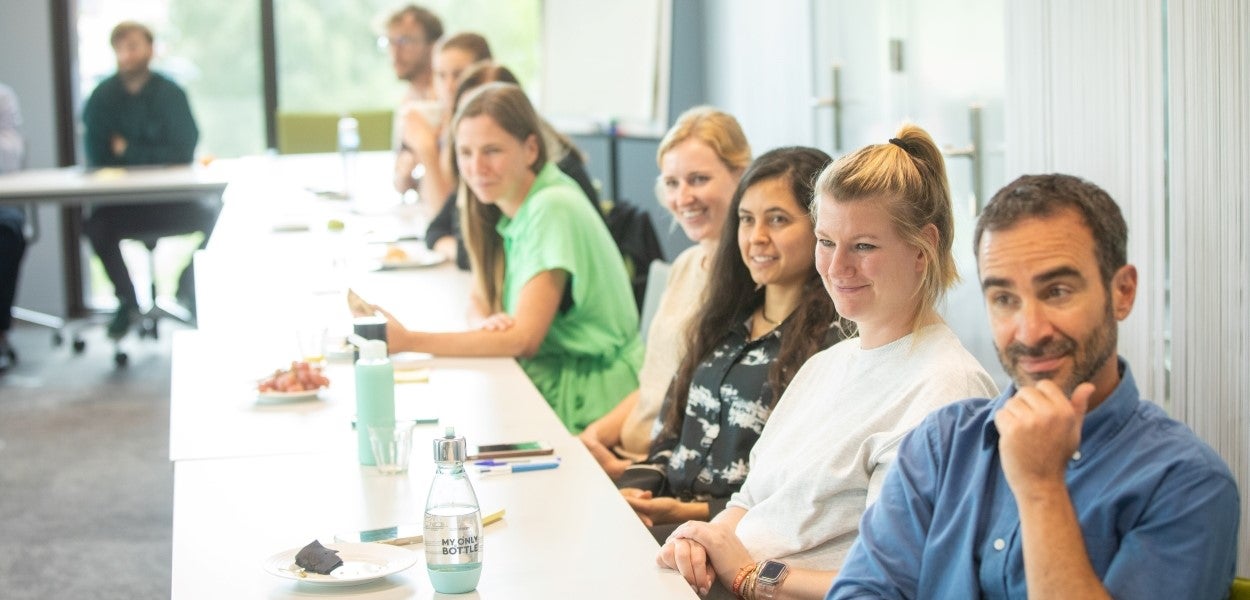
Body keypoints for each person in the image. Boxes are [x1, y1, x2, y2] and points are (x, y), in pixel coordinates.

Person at [829, 174, 1240, 599]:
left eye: (1057, 292)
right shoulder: (941, 445)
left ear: (1122, 292)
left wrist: (1042, 487)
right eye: (1004, 299)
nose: (1030, 331)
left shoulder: (1186, 483)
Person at [657, 126, 999, 600]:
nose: (837, 268)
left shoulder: (947, 392)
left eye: (863, 246)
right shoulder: (826, 365)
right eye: (826, 240)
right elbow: (751, 501)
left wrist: (753, 578)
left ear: (922, 251)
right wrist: (703, 541)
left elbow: (903, 584)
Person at [366, 83, 642, 433]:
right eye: (465, 153)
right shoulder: (512, 206)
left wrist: (410, 340)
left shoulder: (551, 207)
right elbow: (478, 298)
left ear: (530, 149)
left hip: (595, 403)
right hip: (554, 383)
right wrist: (486, 320)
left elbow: (523, 340)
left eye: (492, 151)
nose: (476, 167)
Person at [619, 147, 843, 528]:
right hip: (666, 518)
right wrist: (633, 492)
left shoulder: (834, 345)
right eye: (746, 219)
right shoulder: (724, 319)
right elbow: (667, 436)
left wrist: (688, 514)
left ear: (821, 228)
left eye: (777, 220)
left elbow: (801, 493)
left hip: (735, 537)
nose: (756, 237)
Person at [579, 106, 751, 479]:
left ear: (741, 175)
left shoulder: (747, 280)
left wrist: (629, 471)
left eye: (699, 179)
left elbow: (713, 423)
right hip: (629, 454)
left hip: (659, 472)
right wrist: (592, 437)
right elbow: (653, 386)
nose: (683, 197)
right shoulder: (686, 265)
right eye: (672, 183)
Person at [81, 21, 219, 338]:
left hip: (171, 202)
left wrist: (128, 150)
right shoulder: (102, 98)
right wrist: (156, 155)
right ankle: (127, 301)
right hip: (122, 206)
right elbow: (99, 156)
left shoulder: (170, 93)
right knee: (95, 225)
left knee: (218, 212)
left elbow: (183, 149)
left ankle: (187, 283)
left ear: (150, 49)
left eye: (134, 46)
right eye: (120, 48)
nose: (126, 54)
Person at [422, 62, 600, 268]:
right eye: (469, 110)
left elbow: (484, 258)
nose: (477, 166)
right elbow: (437, 231)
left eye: (492, 150)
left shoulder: (549, 199)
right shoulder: (489, 183)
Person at [399, 31, 491, 220]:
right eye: (441, 76)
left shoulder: (486, 130)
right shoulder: (441, 121)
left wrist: (427, 151)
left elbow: (443, 219)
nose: (449, 86)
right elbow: (403, 184)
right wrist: (406, 177)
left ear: (484, 75)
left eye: (458, 75)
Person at [384, 4, 444, 195]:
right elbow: (400, 176)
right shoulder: (408, 102)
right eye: (390, 42)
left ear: (433, 46)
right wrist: (405, 179)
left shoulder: (448, 100)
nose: (395, 51)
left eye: (405, 41)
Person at [0, 82, 25, 373]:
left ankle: (0, 334)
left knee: (8, 230)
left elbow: (9, 157)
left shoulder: (3, 96)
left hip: (3, 201)